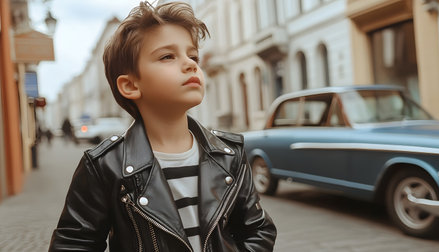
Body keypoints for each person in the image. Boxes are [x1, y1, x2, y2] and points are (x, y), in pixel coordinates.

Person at [49, 1, 276, 252]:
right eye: (168, 56)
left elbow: (257, 229)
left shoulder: (229, 153)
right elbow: (73, 244)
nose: (191, 64)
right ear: (131, 86)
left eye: (193, 56)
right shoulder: (105, 166)